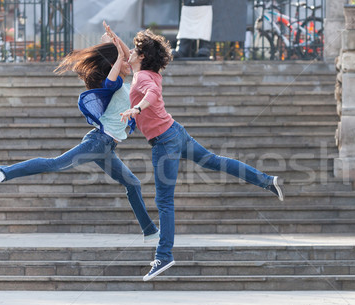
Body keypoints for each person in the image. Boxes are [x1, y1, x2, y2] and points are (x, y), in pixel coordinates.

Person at [120, 30, 284, 282]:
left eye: (132, 50)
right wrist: (113, 39)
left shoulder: (143, 77)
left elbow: (151, 94)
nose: (127, 53)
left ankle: (164, 255)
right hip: (176, 132)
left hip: (165, 143)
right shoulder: (147, 72)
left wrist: (137, 108)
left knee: (164, 201)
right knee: (216, 162)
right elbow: (131, 60)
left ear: (141, 56)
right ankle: (266, 180)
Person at [0, 23, 159, 243]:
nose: (128, 59)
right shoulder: (115, 84)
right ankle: (3, 172)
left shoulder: (132, 80)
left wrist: (114, 39)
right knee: (55, 164)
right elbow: (122, 62)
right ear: (115, 64)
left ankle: (150, 232)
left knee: (133, 183)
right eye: (122, 59)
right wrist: (117, 53)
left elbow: (129, 57)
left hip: (107, 147)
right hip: (99, 142)